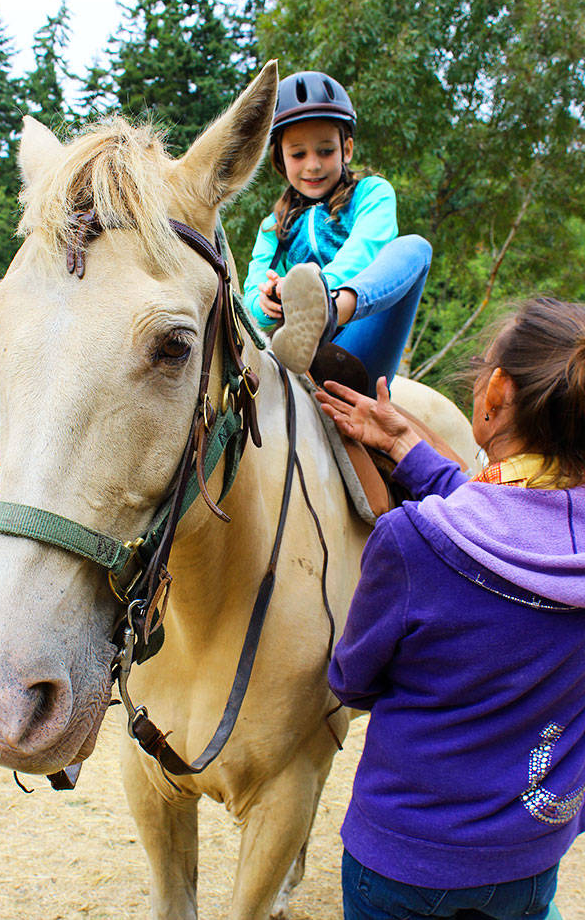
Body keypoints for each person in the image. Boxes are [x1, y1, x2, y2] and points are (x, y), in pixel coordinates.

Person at [315, 296, 585, 920]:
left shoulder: (412, 542)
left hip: (407, 859)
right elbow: (525, 524)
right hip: (531, 853)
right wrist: (414, 451)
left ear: (495, 393)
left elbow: (353, 682)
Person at [243, 70, 432, 383]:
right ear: (281, 158)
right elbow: (252, 292)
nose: (313, 164)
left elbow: (364, 251)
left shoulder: (372, 193)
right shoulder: (273, 227)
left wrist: (316, 292)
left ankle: (328, 312)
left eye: (326, 151)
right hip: (295, 354)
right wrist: (269, 300)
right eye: (298, 154)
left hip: (358, 346)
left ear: (347, 149)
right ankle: (316, 313)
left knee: (415, 248)